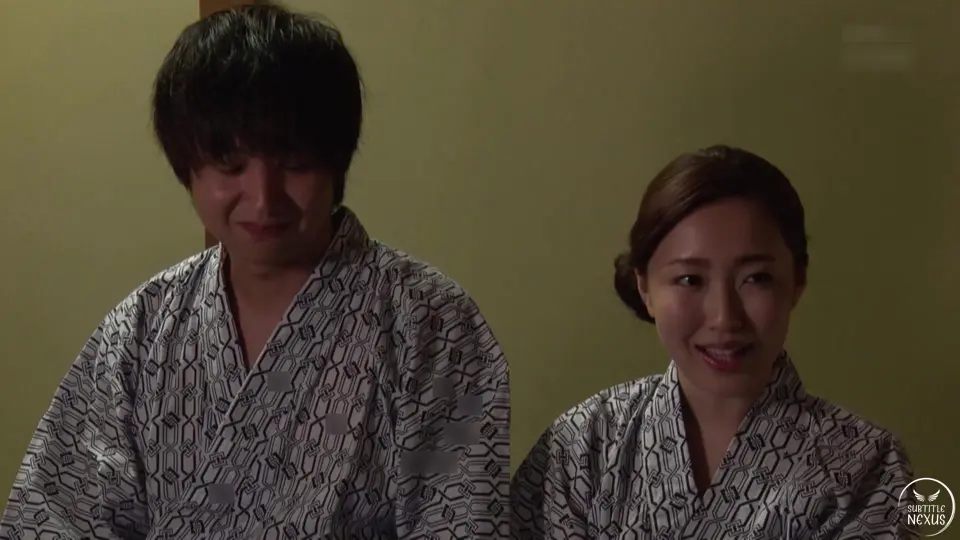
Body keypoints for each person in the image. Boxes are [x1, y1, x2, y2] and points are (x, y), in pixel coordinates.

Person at [0, 4, 509, 539]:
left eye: (295, 163)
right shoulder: (141, 330)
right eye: (230, 165)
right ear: (189, 170)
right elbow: (55, 518)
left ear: (335, 163)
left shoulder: (430, 323)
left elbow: (459, 522)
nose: (263, 199)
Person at [510, 145, 914, 538]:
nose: (724, 318)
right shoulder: (582, 447)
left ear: (797, 282)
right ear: (645, 287)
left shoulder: (866, 465)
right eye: (690, 280)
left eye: (756, 278)